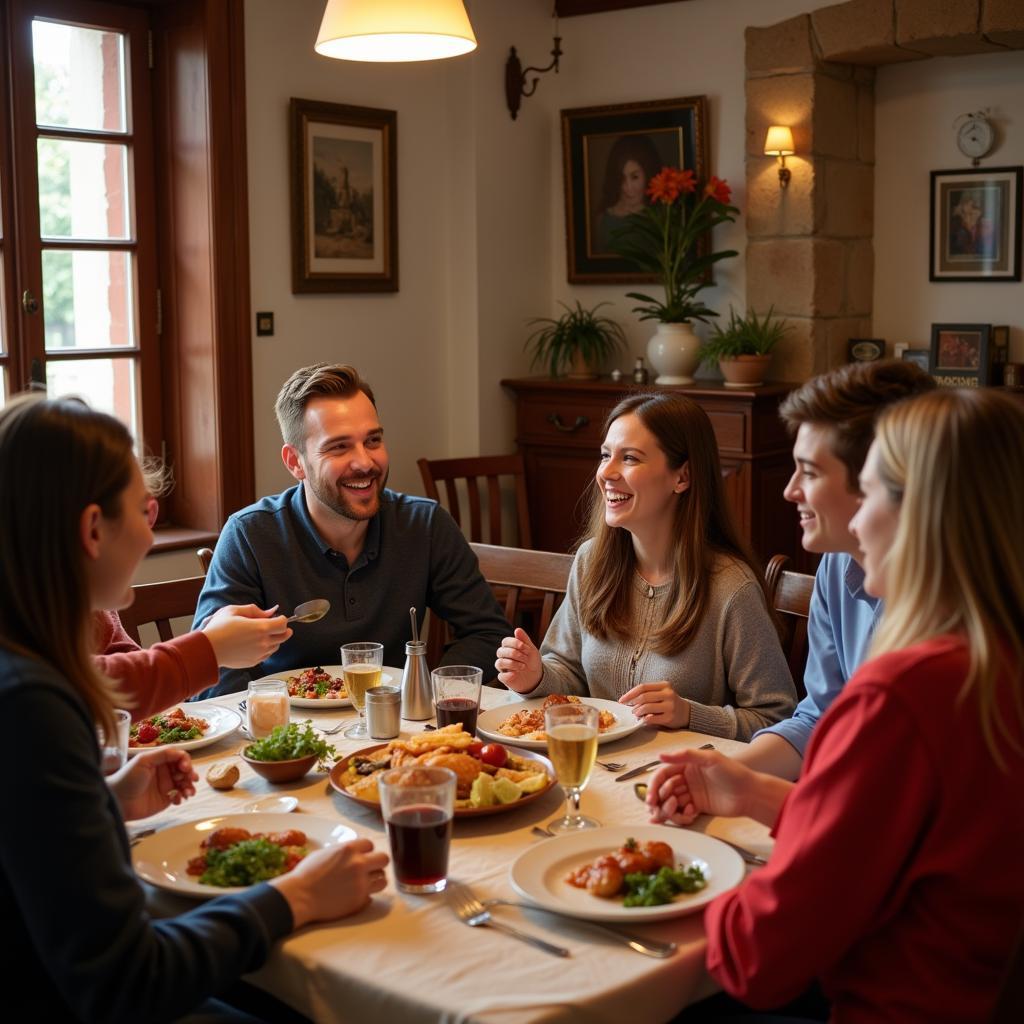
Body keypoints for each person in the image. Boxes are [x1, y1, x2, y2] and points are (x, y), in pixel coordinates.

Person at [0, 394, 389, 1022]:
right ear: (92, 530)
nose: (151, 531)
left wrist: (106, 800)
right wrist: (294, 898)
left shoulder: (25, 668)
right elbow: (128, 982)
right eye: (143, 509)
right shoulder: (31, 704)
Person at [649, 388, 1024, 1021]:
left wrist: (673, 882)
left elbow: (755, 959)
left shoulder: (898, 699)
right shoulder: (994, 661)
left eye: (870, 493)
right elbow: (897, 837)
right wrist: (752, 795)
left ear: (922, 514)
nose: (856, 522)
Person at [192, 363, 509, 698]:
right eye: (339, 447)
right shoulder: (250, 535)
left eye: (372, 440)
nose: (365, 462)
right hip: (288, 733)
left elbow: (487, 634)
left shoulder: (424, 524)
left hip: (393, 727)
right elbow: (212, 666)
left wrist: (426, 693)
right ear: (295, 462)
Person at [495, 393, 795, 741]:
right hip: (594, 769)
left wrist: (689, 714)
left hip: (679, 780)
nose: (606, 472)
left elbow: (779, 720)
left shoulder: (731, 588)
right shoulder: (591, 562)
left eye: (630, 458)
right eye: (606, 455)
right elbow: (568, 671)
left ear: (682, 477)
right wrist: (535, 676)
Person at [734, 359, 934, 780]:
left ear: (879, 480)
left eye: (809, 471)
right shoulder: (837, 564)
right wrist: (729, 771)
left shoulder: (957, 613)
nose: (790, 491)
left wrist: (749, 792)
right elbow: (820, 717)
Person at [593, 134, 662, 253]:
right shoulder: (602, 219)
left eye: (635, 177)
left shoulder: (660, 216)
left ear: (648, 175)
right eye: (621, 178)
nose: (627, 187)